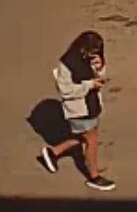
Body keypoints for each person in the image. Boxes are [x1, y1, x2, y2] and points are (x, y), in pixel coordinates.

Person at [38, 31, 114, 191]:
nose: (93, 55)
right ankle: (94, 177)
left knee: (84, 138)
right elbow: (66, 91)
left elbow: (100, 78)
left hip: (92, 106)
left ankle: (53, 152)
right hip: (79, 111)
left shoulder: (91, 59)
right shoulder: (66, 65)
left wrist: (100, 68)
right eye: (91, 52)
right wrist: (89, 85)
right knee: (91, 141)